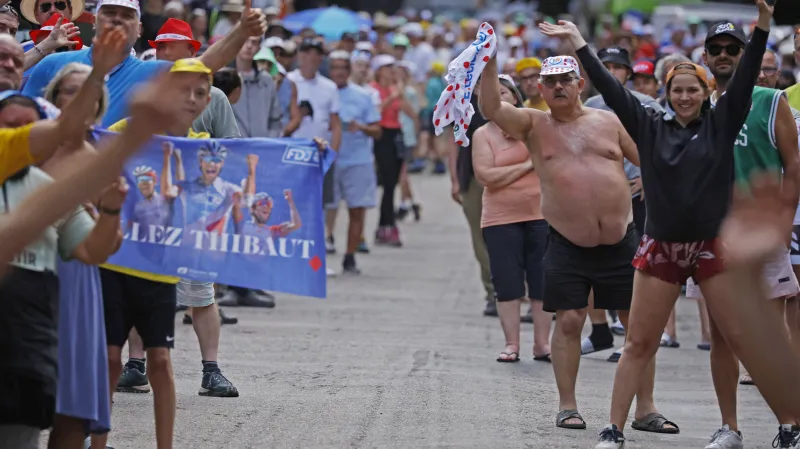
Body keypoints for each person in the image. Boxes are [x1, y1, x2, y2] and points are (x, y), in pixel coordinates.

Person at [537, 6, 800, 448]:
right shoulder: (647, 123)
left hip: (713, 249)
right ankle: (613, 430)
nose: (683, 97)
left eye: (691, 90)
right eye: (675, 90)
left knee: (744, 340)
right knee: (639, 342)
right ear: (666, 93)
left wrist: (763, 26)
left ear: (706, 92)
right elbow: (607, 85)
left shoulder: (722, 122)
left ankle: (790, 428)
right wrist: (578, 42)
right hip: (660, 248)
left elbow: (750, 65)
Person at [479, 52, 646, 431]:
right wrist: (489, 65)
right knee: (570, 321)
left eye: (565, 80)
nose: (557, 86)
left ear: (579, 84)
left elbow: (651, 159)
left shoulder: (609, 122)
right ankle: (568, 405)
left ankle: (645, 408)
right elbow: (491, 107)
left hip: (621, 240)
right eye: (550, 81)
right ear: (539, 88)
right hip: (568, 242)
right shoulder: (534, 124)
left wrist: (652, 185)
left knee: (637, 326)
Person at [684, 39, 800, 449]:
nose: (723, 55)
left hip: (761, 238)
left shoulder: (770, 101)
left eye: (732, 49)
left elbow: (794, 163)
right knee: (722, 336)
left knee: (768, 335)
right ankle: (729, 427)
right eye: (715, 48)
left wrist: (783, 224)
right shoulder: (696, 104)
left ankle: (789, 423)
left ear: (744, 55)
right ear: (705, 58)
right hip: (712, 238)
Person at [22, 0, 268, 126]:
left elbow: (204, 65)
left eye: (127, 15)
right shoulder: (53, 64)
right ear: (95, 22)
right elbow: (24, 127)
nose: (117, 20)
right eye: (110, 13)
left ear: (139, 29)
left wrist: (241, 31)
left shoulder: (152, 72)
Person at [581, 46, 665, 363]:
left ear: (628, 73)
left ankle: (631, 337)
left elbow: (663, 144)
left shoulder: (647, 104)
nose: (612, 71)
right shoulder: (589, 104)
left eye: (618, 66)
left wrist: (648, 177)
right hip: (597, 194)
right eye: (605, 66)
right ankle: (599, 329)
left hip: (634, 194)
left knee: (631, 269)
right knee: (589, 263)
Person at [472, 74, 552, 363]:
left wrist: (518, 168)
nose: (498, 99)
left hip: (540, 214)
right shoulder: (482, 135)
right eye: (492, 95)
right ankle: (512, 344)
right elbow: (487, 177)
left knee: (542, 281)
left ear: (516, 99)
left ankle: (542, 345)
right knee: (507, 283)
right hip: (500, 218)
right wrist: (527, 165)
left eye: (503, 93)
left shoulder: (535, 127)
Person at [324, 50, 381, 274]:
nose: (338, 72)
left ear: (348, 71)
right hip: (329, 160)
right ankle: (321, 254)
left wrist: (361, 127)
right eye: (335, 67)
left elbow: (377, 130)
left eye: (342, 68)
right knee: (324, 209)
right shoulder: (323, 92)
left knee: (357, 210)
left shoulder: (363, 95)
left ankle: (350, 255)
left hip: (357, 160)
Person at [370, 54, 417, 246]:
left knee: (393, 183)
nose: (391, 71)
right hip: (382, 134)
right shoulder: (374, 90)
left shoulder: (394, 89)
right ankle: (387, 225)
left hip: (396, 134)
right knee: (388, 182)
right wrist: (391, 98)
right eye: (388, 67)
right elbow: (375, 111)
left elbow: (409, 111)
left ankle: (386, 225)